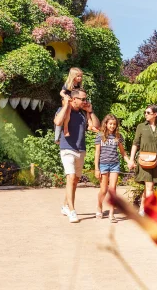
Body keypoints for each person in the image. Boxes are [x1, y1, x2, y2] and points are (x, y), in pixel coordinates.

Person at [54, 89, 100, 223]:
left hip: (81, 149)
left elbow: (95, 126)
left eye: (86, 99)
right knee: (71, 177)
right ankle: (72, 211)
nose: (85, 101)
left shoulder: (82, 114)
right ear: (74, 99)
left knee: (74, 182)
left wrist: (90, 111)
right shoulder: (63, 110)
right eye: (83, 99)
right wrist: (65, 105)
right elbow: (57, 122)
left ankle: (65, 206)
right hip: (67, 149)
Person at [127, 104, 157, 216]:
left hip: (156, 161)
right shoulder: (141, 127)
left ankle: (142, 209)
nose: (145, 114)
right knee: (149, 187)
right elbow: (135, 144)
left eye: (148, 113)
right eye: (145, 112)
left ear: (155, 114)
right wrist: (131, 160)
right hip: (143, 161)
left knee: (149, 187)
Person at [94, 114, 130, 223]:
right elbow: (97, 153)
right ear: (106, 124)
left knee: (113, 189)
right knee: (104, 190)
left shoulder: (118, 136)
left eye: (114, 124)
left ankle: (111, 213)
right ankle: (99, 206)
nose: (112, 126)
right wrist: (96, 168)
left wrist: (129, 161)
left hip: (115, 164)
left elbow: (123, 153)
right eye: (110, 124)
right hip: (103, 164)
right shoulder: (100, 136)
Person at [59, 67, 84, 138]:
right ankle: (66, 128)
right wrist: (66, 97)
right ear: (73, 76)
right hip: (67, 101)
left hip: (74, 101)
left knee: (87, 106)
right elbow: (61, 93)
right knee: (68, 108)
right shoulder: (68, 84)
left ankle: (90, 125)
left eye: (81, 76)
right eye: (78, 76)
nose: (80, 78)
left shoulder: (79, 85)